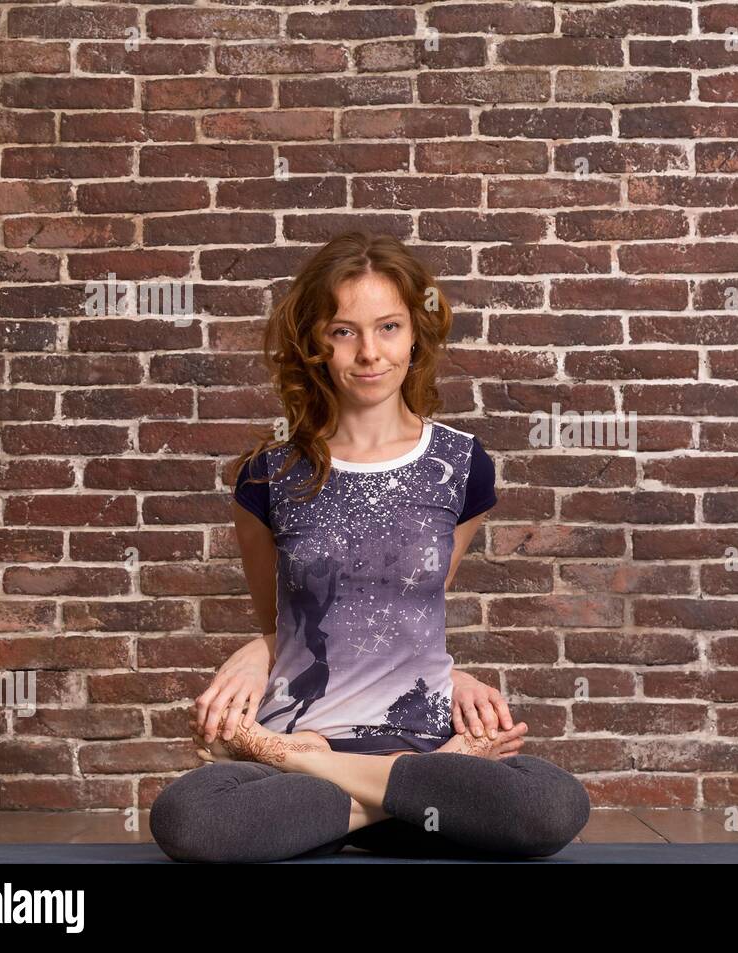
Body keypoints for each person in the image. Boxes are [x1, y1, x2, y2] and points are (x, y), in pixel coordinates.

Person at [149, 232, 591, 862]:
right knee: (190, 818)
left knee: (550, 805)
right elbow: (284, 622)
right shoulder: (266, 475)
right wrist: (259, 657)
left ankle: (354, 805)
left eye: (388, 327)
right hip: (297, 747)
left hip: (425, 746)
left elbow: (417, 609)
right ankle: (406, 812)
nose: (369, 354)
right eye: (343, 332)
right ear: (315, 344)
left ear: (416, 335)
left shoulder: (462, 466)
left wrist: (451, 680)